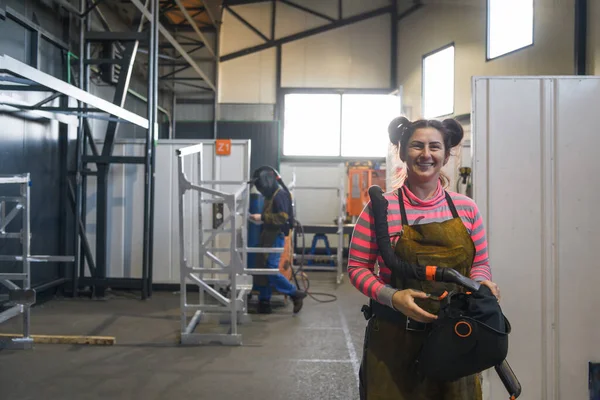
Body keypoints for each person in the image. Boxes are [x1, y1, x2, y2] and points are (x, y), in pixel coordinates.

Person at [348, 116, 501, 400]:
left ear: (446, 154)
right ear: (403, 151)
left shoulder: (466, 209)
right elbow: (357, 267)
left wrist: (482, 283)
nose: (426, 154)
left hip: (456, 339)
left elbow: (479, 262)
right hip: (394, 339)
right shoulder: (380, 209)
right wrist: (392, 297)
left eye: (434, 147)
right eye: (417, 146)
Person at [249, 166, 307, 314]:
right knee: (263, 267)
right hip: (267, 234)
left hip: (276, 236)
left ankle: (294, 293)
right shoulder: (271, 195)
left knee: (270, 268)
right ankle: (264, 300)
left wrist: (261, 218)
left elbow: (283, 217)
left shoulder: (279, 195)